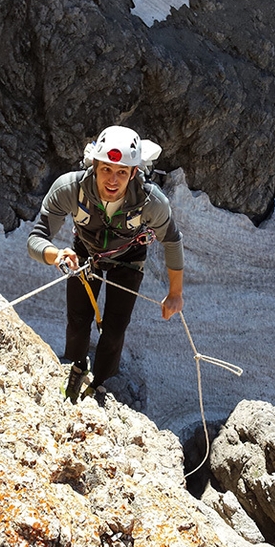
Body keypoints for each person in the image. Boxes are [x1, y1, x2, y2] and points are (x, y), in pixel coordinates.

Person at [27, 125, 184, 403]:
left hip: (128, 262)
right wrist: (55, 255)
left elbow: (171, 240)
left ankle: (100, 382)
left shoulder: (151, 201)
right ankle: (75, 368)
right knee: (77, 321)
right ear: (95, 165)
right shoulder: (70, 188)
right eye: (107, 170)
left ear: (134, 173)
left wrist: (175, 294)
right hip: (83, 255)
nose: (113, 180)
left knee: (114, 330)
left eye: (122, 172)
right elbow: (36, 239)